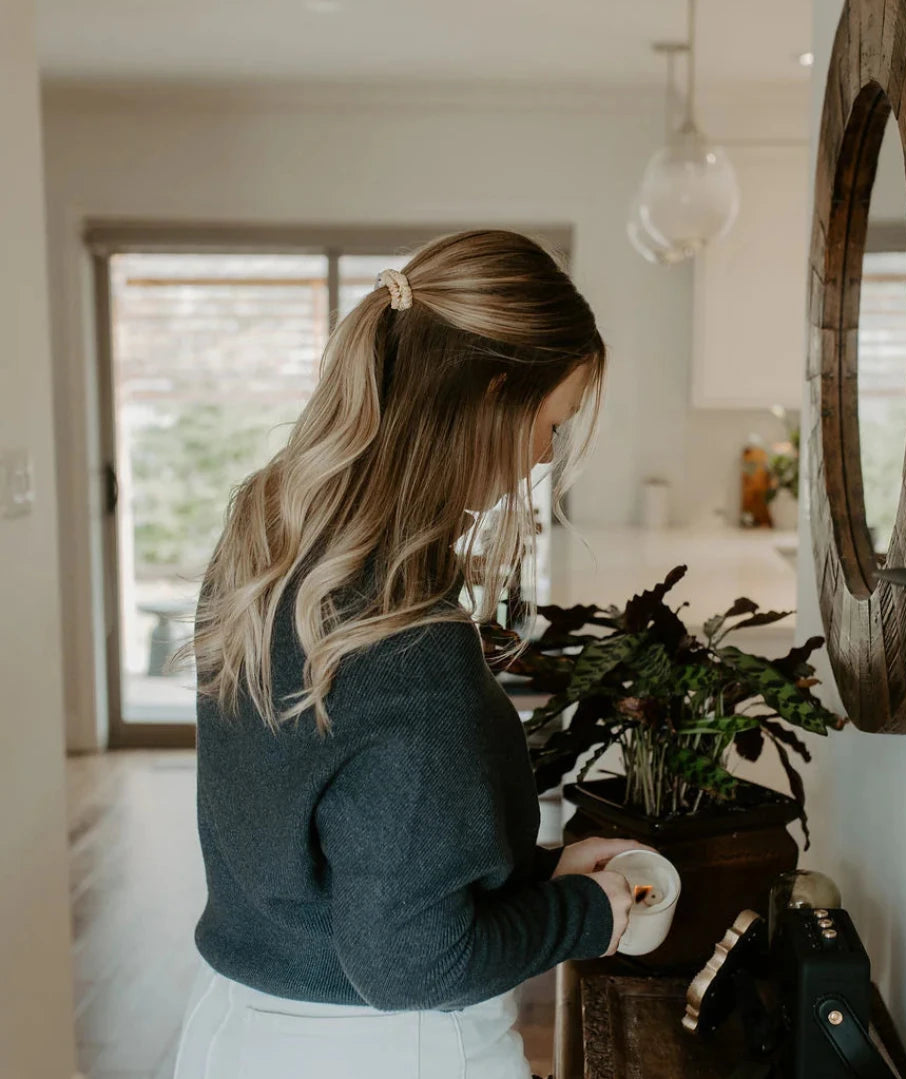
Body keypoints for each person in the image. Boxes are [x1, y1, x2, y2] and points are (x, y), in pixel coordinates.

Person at [173, 230, 652, 1079]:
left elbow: (351, 844)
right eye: (550, 422)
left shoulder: (268, 538)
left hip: (235, 1032)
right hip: (388, 1049)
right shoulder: (409, 642)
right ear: (493, 395)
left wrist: (537, 875)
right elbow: (414, 962)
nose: (543, 455)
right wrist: (586, 913)